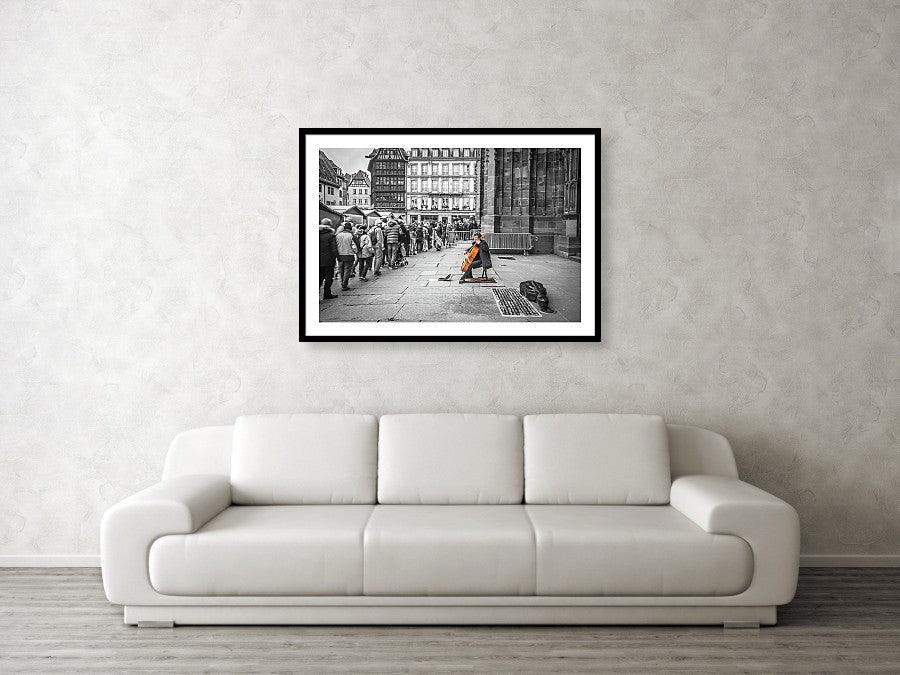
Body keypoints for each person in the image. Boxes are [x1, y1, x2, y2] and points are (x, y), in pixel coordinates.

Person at [318, 218, 338, 299]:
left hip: (317, 259)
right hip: (329, 259)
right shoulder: (331, 235)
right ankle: (327, 293)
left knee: (319, 277)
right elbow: (334, 248)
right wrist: (338, 257)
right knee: (329, 277)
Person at [335, 222, 357, 291]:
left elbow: (335, 245)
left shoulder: (338, 235)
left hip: (340, 255)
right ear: (350, 228)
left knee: (341, 270)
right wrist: (355, 252)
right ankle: (344, 285)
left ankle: (342, 282)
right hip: (349, 255)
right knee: (347, 270)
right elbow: (354, 246)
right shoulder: (351, 235)